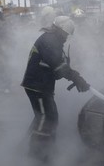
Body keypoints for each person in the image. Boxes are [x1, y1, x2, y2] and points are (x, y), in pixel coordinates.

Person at [21, 15, 90, 162]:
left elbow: (58, 68)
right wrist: (76, 78)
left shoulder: (53, 40)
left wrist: (74, 76)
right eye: (65, 34)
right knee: (47, 118)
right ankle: (37, 155)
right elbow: (58, 66)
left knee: (44, 116)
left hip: (42, 85)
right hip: (37, 86)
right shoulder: (49, 41)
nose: (66, 38)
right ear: (58, 30)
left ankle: (40, 148)